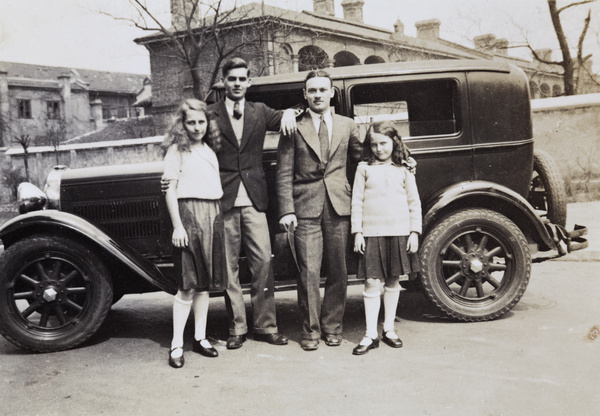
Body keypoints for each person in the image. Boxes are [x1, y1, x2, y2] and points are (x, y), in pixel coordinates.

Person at [209, 57, 297, 350]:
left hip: (255, 201)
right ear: (223, 82)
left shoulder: (259, 111)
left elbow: (294, 113)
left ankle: (265, 325)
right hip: (223, 200)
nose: (236, 84)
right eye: (230, 79)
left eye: (241, 79)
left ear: (249, 82)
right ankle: (237, 328)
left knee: (263, 264)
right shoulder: (209, 114)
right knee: (229, 267)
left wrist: (287, 114)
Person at [276, 70, 362, 351]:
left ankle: (332, 327)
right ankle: (310, 331)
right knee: (308, 273)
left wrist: (403, 159)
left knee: (339, 270)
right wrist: (287, 210)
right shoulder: (294, 125)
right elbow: (284, 172)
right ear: (305, 94)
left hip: (339, 206)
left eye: (322, 90)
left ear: (332, 92)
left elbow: (364, 158)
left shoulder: (348, 125)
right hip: (305, 208)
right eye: (312, 90)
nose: (317, 95)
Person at [162, 99, 227, 368]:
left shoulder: (210, 149)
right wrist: (178, 225)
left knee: (205, 281)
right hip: (189, 216)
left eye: (201, 121)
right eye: (191, 122)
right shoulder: (177, 150)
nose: (197, 127)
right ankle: (177, 344)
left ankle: (200, 338)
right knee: (188, 282)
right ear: (182, 124)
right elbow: (169, 190)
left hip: (212, 215)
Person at [350, 121, 421, 355]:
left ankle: (389, 329)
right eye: (374, 145)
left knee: (393, 280)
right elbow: (356, 201)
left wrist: (414, 232)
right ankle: (370, 334)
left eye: (384, 143)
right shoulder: (364, 169)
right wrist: (358, 232)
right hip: (372, 233)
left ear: (394, 142)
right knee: (371, 282)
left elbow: (414, 202)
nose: (379, 149)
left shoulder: (404, 169)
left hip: (398, 232)